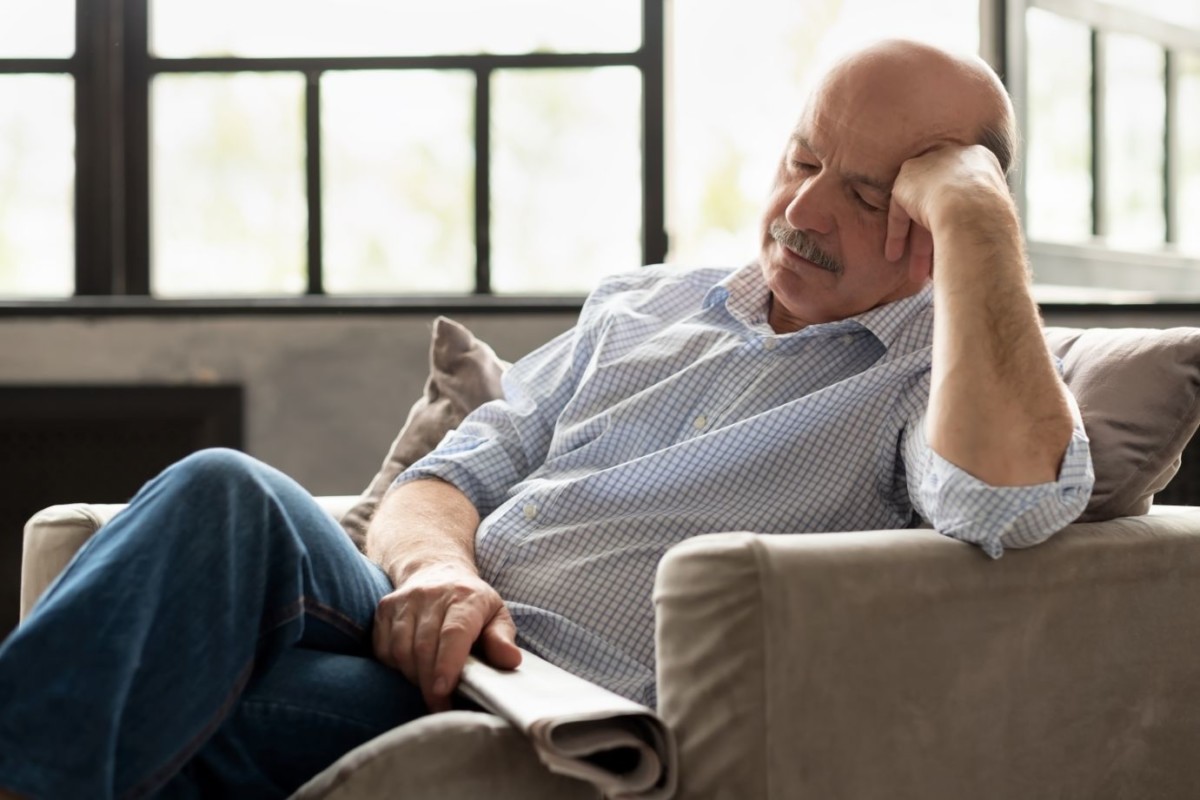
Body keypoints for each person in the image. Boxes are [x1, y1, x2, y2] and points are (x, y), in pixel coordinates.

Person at [0, 38, 1093, 799]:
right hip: (417, 631)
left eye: (866, 195)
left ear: (945, 215)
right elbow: (456, 475)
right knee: (223, 489)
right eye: (803, 160)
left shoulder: (928, 385)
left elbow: (1006, 497)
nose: (801, 212)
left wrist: (979, 219)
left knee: (155, 699)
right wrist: (435, 570)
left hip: (538, 713)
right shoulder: (649, 305)